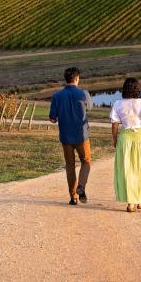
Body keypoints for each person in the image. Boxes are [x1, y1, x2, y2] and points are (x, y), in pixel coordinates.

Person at [49, 67, 93, 205]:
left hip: (65, 136)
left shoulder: (57, 96)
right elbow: (89, 108)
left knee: (70, 165)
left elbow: (52, 118)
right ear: (77, 78)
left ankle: (73, 196)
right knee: (86, 161)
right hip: (82, 135)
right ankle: (81, 186)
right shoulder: (83, 94)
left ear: (66, 79)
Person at [110, 77, 141, 213]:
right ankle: (140, 201)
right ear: (138, 89)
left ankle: (130, 203)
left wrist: (115, 139)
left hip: (125, 137)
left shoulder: (118, 104)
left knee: (127, 170)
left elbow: (115, 125)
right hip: (140, 137)